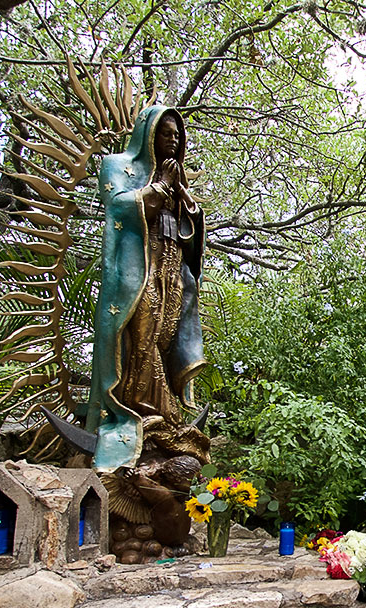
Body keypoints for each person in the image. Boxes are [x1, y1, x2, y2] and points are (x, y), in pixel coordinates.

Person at [87, 106, 207, 472]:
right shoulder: (116, 165)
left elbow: (190, 232)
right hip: (139, 269)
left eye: (177, 136)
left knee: (165, 336)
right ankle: (140, 409)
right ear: (148, 134)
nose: (172, 140)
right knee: (143, 329)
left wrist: (190, 208)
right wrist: (157, 190)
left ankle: (164, 419)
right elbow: (118, 206)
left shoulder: (177, 176)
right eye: (165, 133)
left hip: (172, 268)